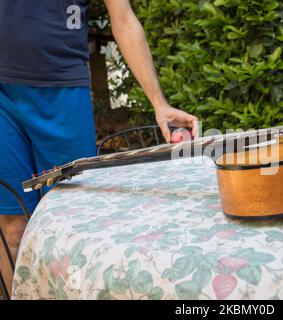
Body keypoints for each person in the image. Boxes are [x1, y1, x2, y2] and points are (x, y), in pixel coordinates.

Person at [0, 0, 198, 295]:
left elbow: (123, 18)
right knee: (11, 225)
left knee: (72, 224)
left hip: (63, 90)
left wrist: (159, 103)